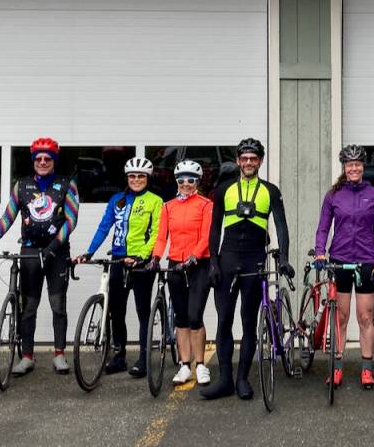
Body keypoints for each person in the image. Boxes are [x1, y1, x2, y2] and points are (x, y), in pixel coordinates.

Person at [0, 137, 79, 375]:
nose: (43, 162)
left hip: (56, 252)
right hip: (30, 251)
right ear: (33, 161)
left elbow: (71, 219)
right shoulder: (21, 185)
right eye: (38, 159)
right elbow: (8, 216)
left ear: (54, 161)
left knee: (57, 305)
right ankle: (27, 356)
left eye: (47, 159)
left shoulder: (67, 184)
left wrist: (54, 246)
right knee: (28, 307)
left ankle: (59, 354)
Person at [201, 138, 293, 400]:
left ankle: (242, 379)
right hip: (227, 260)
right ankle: (225, 380)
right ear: (238, 161)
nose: (249, 162)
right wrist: (213, 263)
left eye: (254, 158)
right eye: (245, 158)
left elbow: (282, 227)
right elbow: (215, 229)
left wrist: (283, 257)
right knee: (224, 323)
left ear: (260, 161)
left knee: (249, 322)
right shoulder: (224, 190)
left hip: (255, 261)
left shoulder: (271, 191)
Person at [74, 156, 161, 378]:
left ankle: (143, 359)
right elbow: (104, 227)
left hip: (141, 264)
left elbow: (157, 234)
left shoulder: (155, 201)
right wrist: (89, 251)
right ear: (127, 178)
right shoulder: (117, 200)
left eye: (141, 176)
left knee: (143, 313)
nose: (136, 180)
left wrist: (142, 256)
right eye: (132, 176)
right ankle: (119, 356)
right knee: (116, 312)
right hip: (118, 261)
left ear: (148, 178)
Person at [314, 144, 374, 389]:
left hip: (367, 261)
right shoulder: (334, 195)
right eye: (350, 164)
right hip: (339, 260)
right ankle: (337, 368)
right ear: (344, 167)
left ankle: (366, 369)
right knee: (342, 317)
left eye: (358, 164)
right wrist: (319, 252)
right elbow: (323, 227)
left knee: (365, 317)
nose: (354, 168)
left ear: (363, 167)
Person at [149, 159, 213, 385]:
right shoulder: (168, 207)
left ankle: (201, 364)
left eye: (191, 180)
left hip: (198, 265)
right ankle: (185, 365)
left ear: (197, 182)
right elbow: (161, 237)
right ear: (177, 182)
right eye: (182, 180)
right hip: (176, 265)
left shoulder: (206, 205)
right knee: (181, 318)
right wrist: (156, 257)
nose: (186, 184)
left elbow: (206, 236)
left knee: (195, 315)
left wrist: (194, 255)